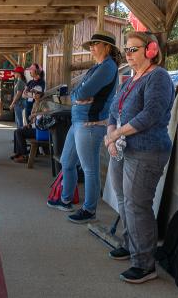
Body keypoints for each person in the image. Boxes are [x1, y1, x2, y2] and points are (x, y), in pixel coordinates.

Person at [104, 32, 174, 284]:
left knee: (137, 206)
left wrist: (115, 136)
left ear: (151, 50)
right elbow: (113, 112)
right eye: (127, 49)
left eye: (133, 49)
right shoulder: (131, 80)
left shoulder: (159, 77)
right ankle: (130, 243)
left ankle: (145, 264)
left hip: (147, 150)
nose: (128, 54)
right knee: (124, 201)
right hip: (123, 148)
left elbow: (150, 116)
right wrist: (111, 134)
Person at [47, 30, 122, 224]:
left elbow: (83, 92)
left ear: (107, 47)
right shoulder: (96, 67)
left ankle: (89, 210)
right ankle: (65, 200)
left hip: (91, 124)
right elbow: (75, 95)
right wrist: (77, 96)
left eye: (95, 44)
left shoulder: (108, 67)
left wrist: (79, 96)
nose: (91, 47)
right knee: (67, 162)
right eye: (90, 44)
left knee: (90, 169)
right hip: (78, 122)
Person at [10, 86, 47, 163]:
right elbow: (33, 119)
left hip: (39, 130)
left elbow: (47, 112)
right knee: (17, 131)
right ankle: (19, 153)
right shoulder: (35, 103)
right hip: (34, 126)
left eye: (36, 92)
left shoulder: (43, 103)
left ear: (40, 94)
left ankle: (24, 156)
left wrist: (35, 114)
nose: (34, 94)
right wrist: (29, 124)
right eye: (33, 92)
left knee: (19, 132)